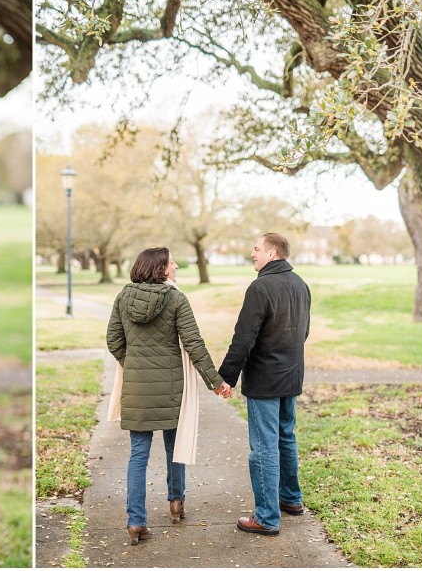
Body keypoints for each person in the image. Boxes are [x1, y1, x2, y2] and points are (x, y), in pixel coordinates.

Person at [106, 246, 232, 546]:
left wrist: (135, 365)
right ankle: (176, 502)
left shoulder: (124, 297)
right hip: (172, 387)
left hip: (136, 387)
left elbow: (113, 340)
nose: (175, 267)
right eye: (172, 263)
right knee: (174, 447)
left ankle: (136, 521)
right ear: (160, 268)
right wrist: (215, 382)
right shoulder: (176, 298)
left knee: (138, 455)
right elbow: (194, 343)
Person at [218, 232, 311, 537]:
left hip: (265, 380)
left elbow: (243, 339)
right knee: (286, 437)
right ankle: (291, 500)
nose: (252, 253)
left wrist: (226, 377)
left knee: (263, 447)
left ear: (272, 253)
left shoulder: (260, 287)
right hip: (292, 376)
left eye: (256, 249)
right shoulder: (301, 285)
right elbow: (303, 333)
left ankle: (267, 517)